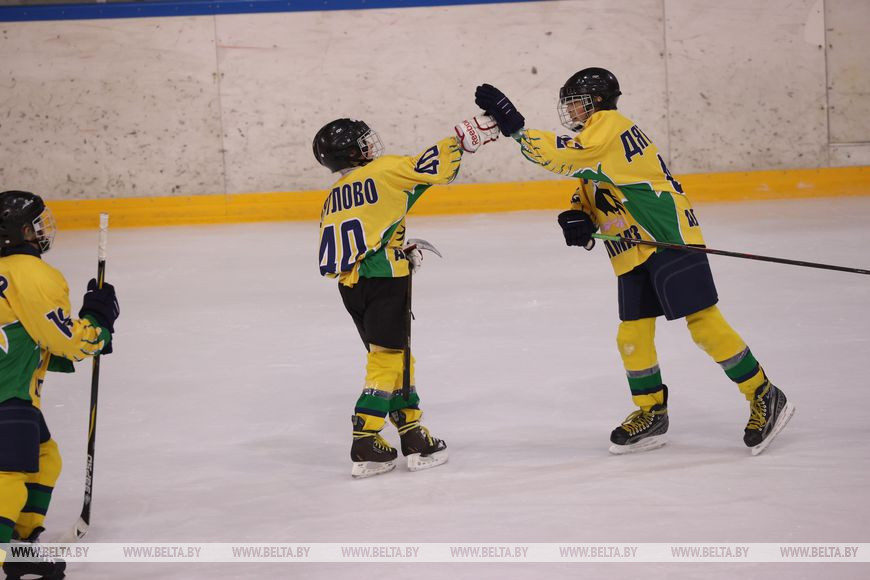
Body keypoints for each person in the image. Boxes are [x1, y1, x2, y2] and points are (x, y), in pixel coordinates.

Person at [474, 68, 794, 455]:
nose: (570, 110)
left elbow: (563, 157)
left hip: (665, 234)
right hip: (632, 247)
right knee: (632, 335)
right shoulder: (596, 139)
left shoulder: (608, 125)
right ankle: (651, 411)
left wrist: (517, 129)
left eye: (575, 102)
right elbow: (592, 184)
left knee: (704, 324)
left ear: (595, 101)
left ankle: (763, 393)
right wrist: (579, 215)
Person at [314, 115, 498, 478]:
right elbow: (428, 168)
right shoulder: (383, 170)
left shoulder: (334, 195)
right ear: (351, 152)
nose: (370, 145)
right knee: (386, 359)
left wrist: (396, 247)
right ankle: (365, 436)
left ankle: (411, 430)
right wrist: (460, 140)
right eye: (362, 142)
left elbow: (366, 232)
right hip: (385, 278)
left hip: (351, 286)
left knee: (395, 355)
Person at [0, 190, 119, 579]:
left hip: (11, 388)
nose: (41, 230)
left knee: (44, 457)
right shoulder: (31, 274)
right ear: (18, 232)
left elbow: (28, 339)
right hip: (7, 394)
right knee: (8, 477)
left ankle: (20, 545)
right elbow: (67, 341)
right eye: (34, 225)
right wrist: (98, 321)